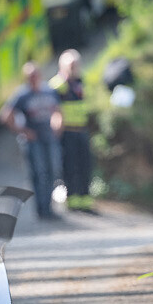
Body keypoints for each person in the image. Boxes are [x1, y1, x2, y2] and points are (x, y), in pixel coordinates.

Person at [0, 62, 63, 219]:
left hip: (49, 138)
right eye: (30, 76)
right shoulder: (22, 95)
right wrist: (23, 131)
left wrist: (57, 125)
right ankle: (42, 209)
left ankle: (49, 206)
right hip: (33, 141)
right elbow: (5, 116)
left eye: (35, 75)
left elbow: (58, 111)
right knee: (39, 173)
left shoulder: (48, 91)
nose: (33, 78)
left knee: (52, 171)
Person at [49, 49, 94, 212]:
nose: (75, 67)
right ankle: (73, 200)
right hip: (67, 132)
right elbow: (53, 108)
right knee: (70, 166)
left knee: (85, 165)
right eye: (72, 65)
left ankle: (85, 200)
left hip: (81, 129)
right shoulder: (58, 84)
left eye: (77, 64)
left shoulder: (80, 82)